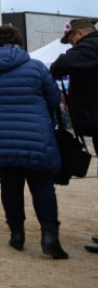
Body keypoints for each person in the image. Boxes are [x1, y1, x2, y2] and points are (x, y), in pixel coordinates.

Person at [0, 24, 67, 260]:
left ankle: (16, 235)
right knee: (42, 186)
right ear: (19, 41)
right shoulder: (37, 67)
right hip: (36, 135)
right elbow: (54, 99)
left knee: (9, 185)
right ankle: (50, 236)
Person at [50, 17, 98, 254]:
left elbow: (63, 65)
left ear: (78, 34)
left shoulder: (91, 45)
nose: (70, 47)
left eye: (70, 41)